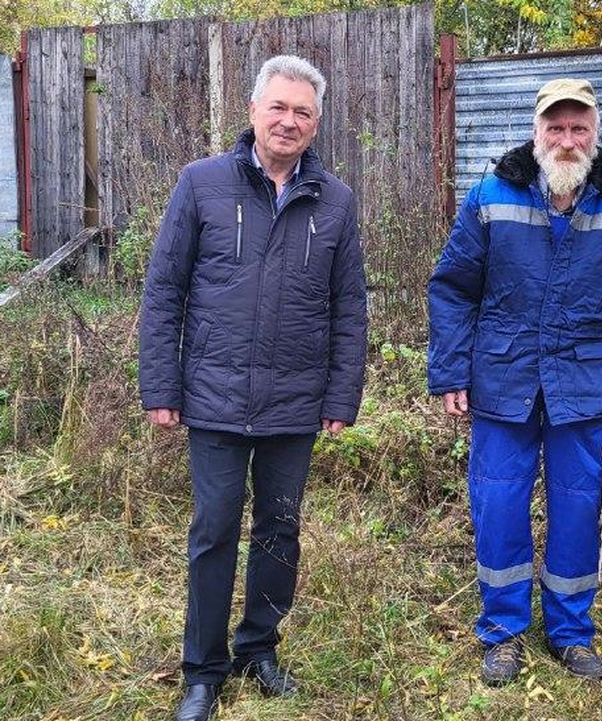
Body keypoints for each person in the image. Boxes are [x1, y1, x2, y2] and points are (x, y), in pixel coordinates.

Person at [138, 55, 367, 721]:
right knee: (213, 530)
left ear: (316, 123)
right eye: (279, 107)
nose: (289, 121)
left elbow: (350, 306)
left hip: (294, 405)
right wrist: (161, 383)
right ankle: (202, 673)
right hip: (212, 396)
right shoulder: (201, 184)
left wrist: (339, 397)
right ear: (253, 112)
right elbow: (164, 291)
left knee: (279, 530)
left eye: (303, 112)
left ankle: (258, 649)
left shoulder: (336, 201)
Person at [427, 78, 602, 685]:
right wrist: (451, 368)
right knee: (499, 505)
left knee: (580, 512)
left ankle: (570, 633)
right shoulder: (490, 194)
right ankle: (503, 632)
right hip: (502, 381)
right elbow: (453, 288)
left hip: (585, 386)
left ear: (595, 133)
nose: (565, 139)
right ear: (536, 133)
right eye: (554, 128)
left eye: (577, 127)